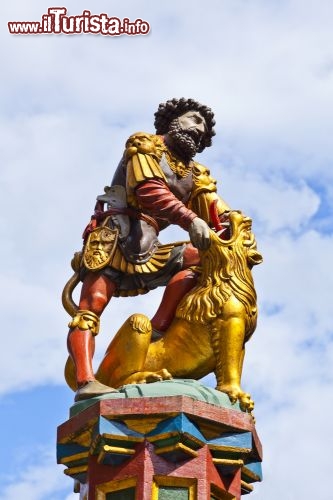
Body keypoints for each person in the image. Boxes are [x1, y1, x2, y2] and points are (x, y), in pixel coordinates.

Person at [66, 98, 230, 401]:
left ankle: (157, 329)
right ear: (173, 120)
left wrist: (234, 225)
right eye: (193, 120)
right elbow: (150, 191)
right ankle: (85, 379)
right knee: (92, 307)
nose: (198, 130)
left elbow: (215, 210)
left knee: (204, 259)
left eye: (203, 130)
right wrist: (190, 219)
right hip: (115, 237)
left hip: (151, 245)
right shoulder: (145, 146)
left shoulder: (196, 174)